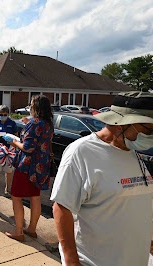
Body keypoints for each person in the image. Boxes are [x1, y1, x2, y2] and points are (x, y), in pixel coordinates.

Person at [50, 91, 153, 266]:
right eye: (149, 129)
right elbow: (61, 208)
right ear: (120, 125)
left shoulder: (132, 152)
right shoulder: (82, 152)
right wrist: (72, 261)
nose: (151, 136)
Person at [4, 95, 53, 242]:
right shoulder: (47, 124)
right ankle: (31, 229)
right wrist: (27, 124)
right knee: (35, 197)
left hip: (27, 166)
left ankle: (19, 232)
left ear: (36, 107)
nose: (30, 106)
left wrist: (13, 142)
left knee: (16, 196)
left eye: (31, 104)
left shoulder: (35, 123)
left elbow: (27, 148)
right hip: (41, 167)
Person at [0, 105, 18, 198]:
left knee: (8, 170)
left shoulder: (12, 123)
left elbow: (16, 137)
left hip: (8, 149)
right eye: (1, 114)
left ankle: (7, 189)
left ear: (8, 114)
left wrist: (11, 139)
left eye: (5, 114)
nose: (3, 116)